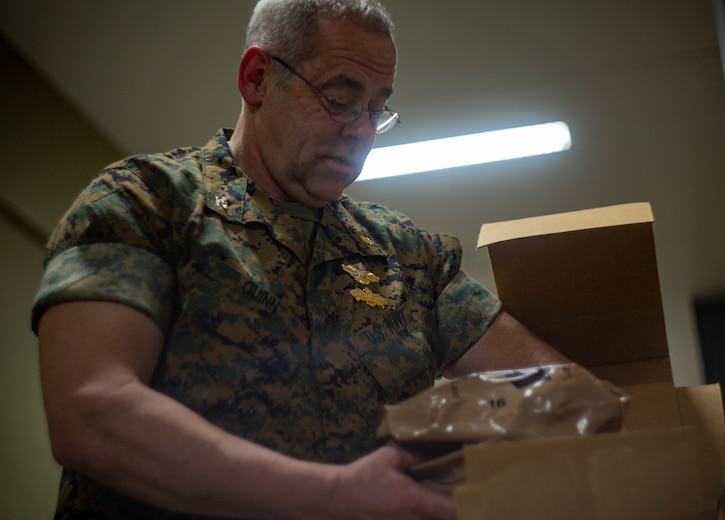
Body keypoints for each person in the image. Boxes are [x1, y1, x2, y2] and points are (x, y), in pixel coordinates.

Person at [31, 0, 568, 518]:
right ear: (257, 78)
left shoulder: (409, 255)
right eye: (339, 97)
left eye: (377, 108)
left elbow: (555, 391)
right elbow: (91, 410)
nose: (360, 129)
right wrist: (333, 497)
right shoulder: (147, 203)